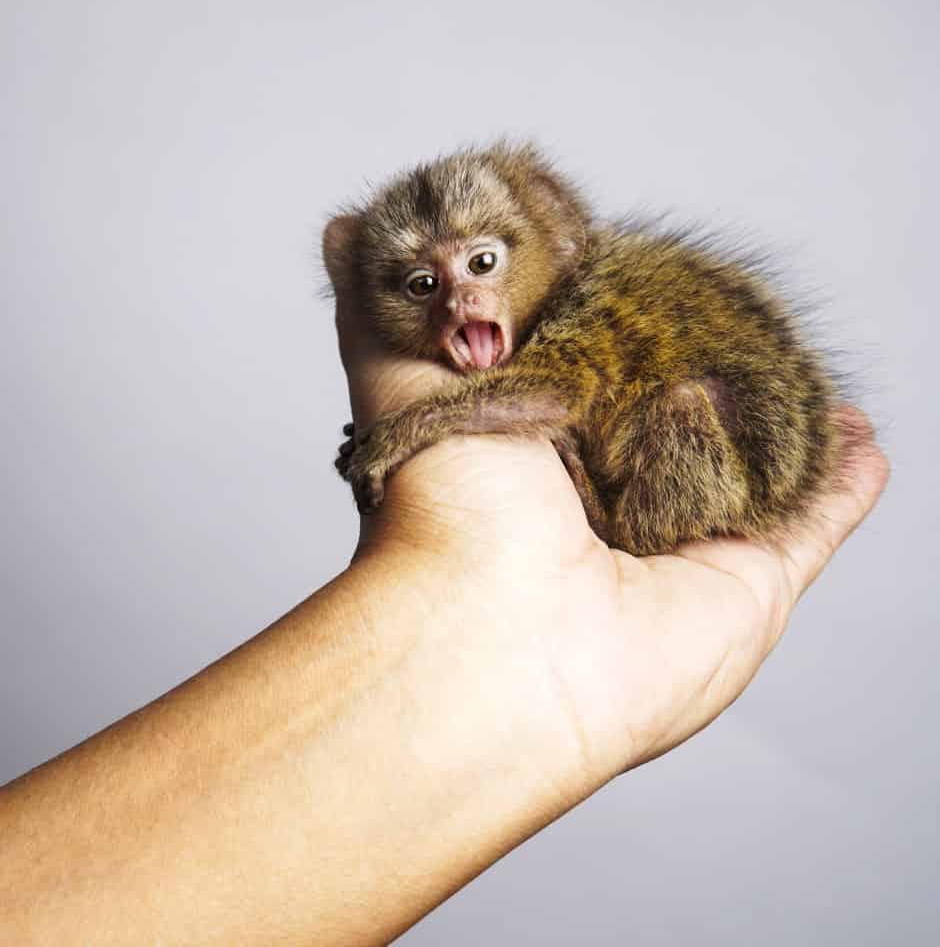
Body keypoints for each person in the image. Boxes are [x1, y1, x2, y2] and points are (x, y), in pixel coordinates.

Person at [0, 291, 888, 945]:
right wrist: (468, 603)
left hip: (693, 455)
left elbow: (546, 392)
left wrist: (408, 432)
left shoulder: (581, 314)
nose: (462, 296)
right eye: (426, 284)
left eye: (485, 265)